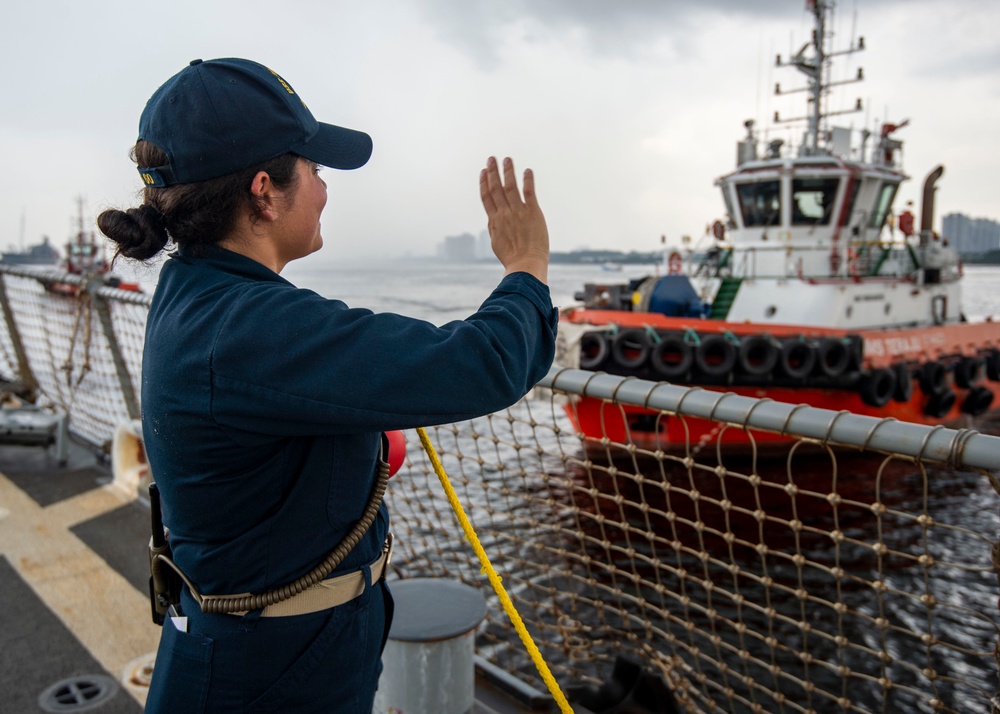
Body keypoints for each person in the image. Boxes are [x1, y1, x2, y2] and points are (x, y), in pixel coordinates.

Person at [98, 58, 556, 714]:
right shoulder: (252, 329)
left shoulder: (197, 293)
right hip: (269, 679)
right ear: (264, 190)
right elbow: (483, 362)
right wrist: (527, 266)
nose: (324, 187)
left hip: (257, 654)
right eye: (314, 170)